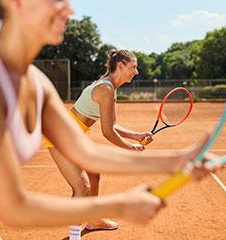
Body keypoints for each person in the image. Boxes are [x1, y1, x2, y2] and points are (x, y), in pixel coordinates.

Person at [0, 0, 216, 240]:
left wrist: (177, 160)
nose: (70, 9)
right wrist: (118, 205)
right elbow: (13, 208)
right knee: (83, 185)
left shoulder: (36, 82)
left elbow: (85, 150)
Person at [44, 48, 154, 234]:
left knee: (93, 175)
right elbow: (108, 132)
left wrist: (136, 136)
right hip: (60, 136)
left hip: (76, 135)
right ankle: (74, 236)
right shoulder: (106, 89)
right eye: (133, 67)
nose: (136, 72)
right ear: (120, 66)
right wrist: (131, 149)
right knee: (82, 187)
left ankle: (94, 220)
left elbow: (112, 124)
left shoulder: (110, 88)